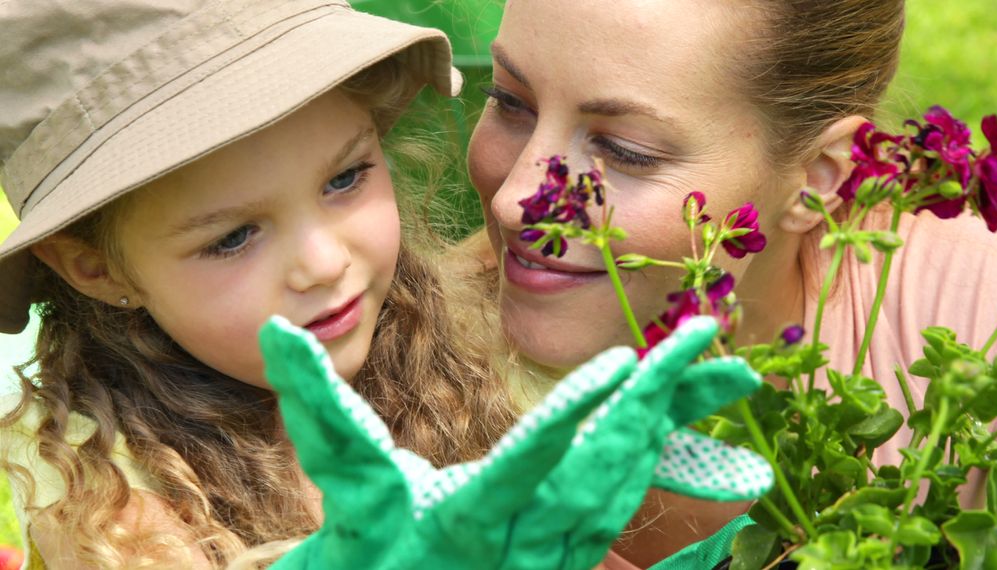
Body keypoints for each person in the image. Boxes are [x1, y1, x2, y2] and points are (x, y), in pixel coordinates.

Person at [0, 2, 769, 568]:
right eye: (233, 236)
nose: (326, 262)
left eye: (345, 177)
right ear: (96, 268)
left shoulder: (445, 351)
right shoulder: (100, 483)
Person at [461, 0, 997, 566]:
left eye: (627, 150)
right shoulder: (411, 333)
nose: (516, 201)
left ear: (820, 176)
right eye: (509, 101)